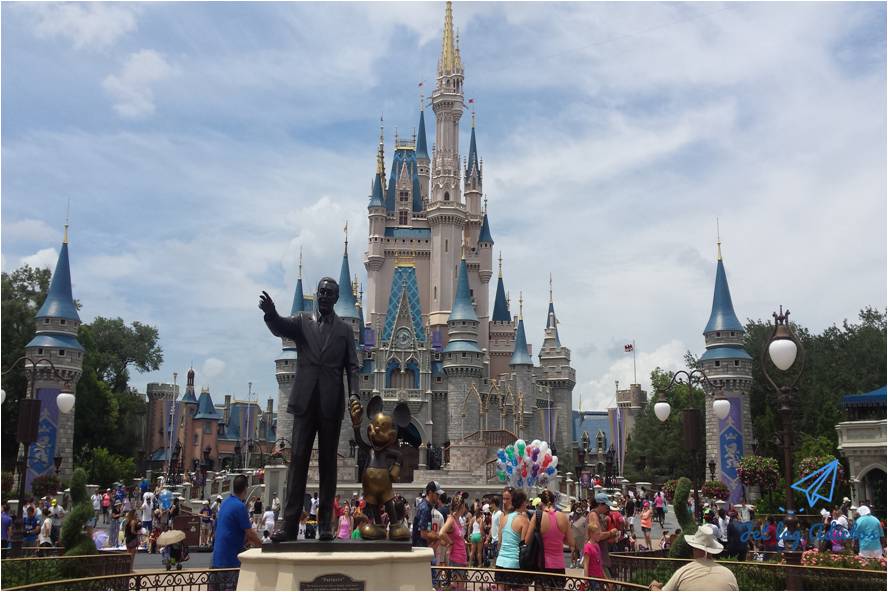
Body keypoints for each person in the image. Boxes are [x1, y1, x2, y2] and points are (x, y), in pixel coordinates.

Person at [259, 281, 360, 542]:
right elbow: (281, 326)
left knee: (328, 464)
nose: (324, 296)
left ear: (336, 298)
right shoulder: (303, 321)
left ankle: (325, 525)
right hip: (305, 402)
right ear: (317, 295)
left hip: (330, 403)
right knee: (297, 462)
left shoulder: (345, 330)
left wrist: (354, 394)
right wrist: (271, 313)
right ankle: (289, 525)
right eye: (321, 292)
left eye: (330, 293)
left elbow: (353, 366)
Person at [211, 475, 262, 590]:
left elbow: (222, 529)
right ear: (245, 489)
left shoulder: (224, 503)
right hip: (230, 561)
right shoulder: (240, 506)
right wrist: (263, 546)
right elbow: (250, 533)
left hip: (216, 559)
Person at [650, 524, 738, 591]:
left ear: (694, 548)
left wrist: (654, 587)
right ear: (712, 550)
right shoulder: (729, 574)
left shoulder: (683, 572)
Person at [525, 490, 573, 590]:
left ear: (541, 502)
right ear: (554, 501)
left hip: (542, 565)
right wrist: (559, 538)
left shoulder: (537, 516)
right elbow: (571, 542)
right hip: (559, 566)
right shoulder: (563, 517)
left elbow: (527, 540)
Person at [495, 489, 530, 590]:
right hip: (515, 563)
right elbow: (524, 544)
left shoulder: (504, 518)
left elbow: (500, 541)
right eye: (526, 501)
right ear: (522, 503)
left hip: (500, 562)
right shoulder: (523, 520)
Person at [589, 493, 620, 577]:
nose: (608, 507)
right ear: (600, 504)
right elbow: (598, 536)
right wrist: (611, 533)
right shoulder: (593, 515)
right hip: (596, 558)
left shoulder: (598, 516)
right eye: (606, 505)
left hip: (599, 556)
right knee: (607, 582)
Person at [411, 481, 444, 557]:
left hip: (421, 547)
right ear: (430, 493)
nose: (439, 497)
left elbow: (427, 530)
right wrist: (439, 537)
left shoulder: (426, 506)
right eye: (437, 494)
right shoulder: (425, 508)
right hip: (420, 549)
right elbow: (423, 534)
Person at [570, 500, 588, 568]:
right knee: (573, 551)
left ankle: (576, 563)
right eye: (577, 513)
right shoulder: (573, 519)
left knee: (577, 550)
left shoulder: (583, 519)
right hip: (574, 536)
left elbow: (585, 528)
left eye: (579, 513)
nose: (578, 514)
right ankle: (572, 563)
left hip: (579, 537)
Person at [488, 498, 502, 563]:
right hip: (493, 540)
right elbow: (492, 526)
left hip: (498, 539)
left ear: (494, 504)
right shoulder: (493, 513)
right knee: (494, 557)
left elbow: (501, 527)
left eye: (491, 504)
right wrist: (488, 537)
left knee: (497, 558)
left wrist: (500, 540)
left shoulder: (500, 513)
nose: (490, 506)